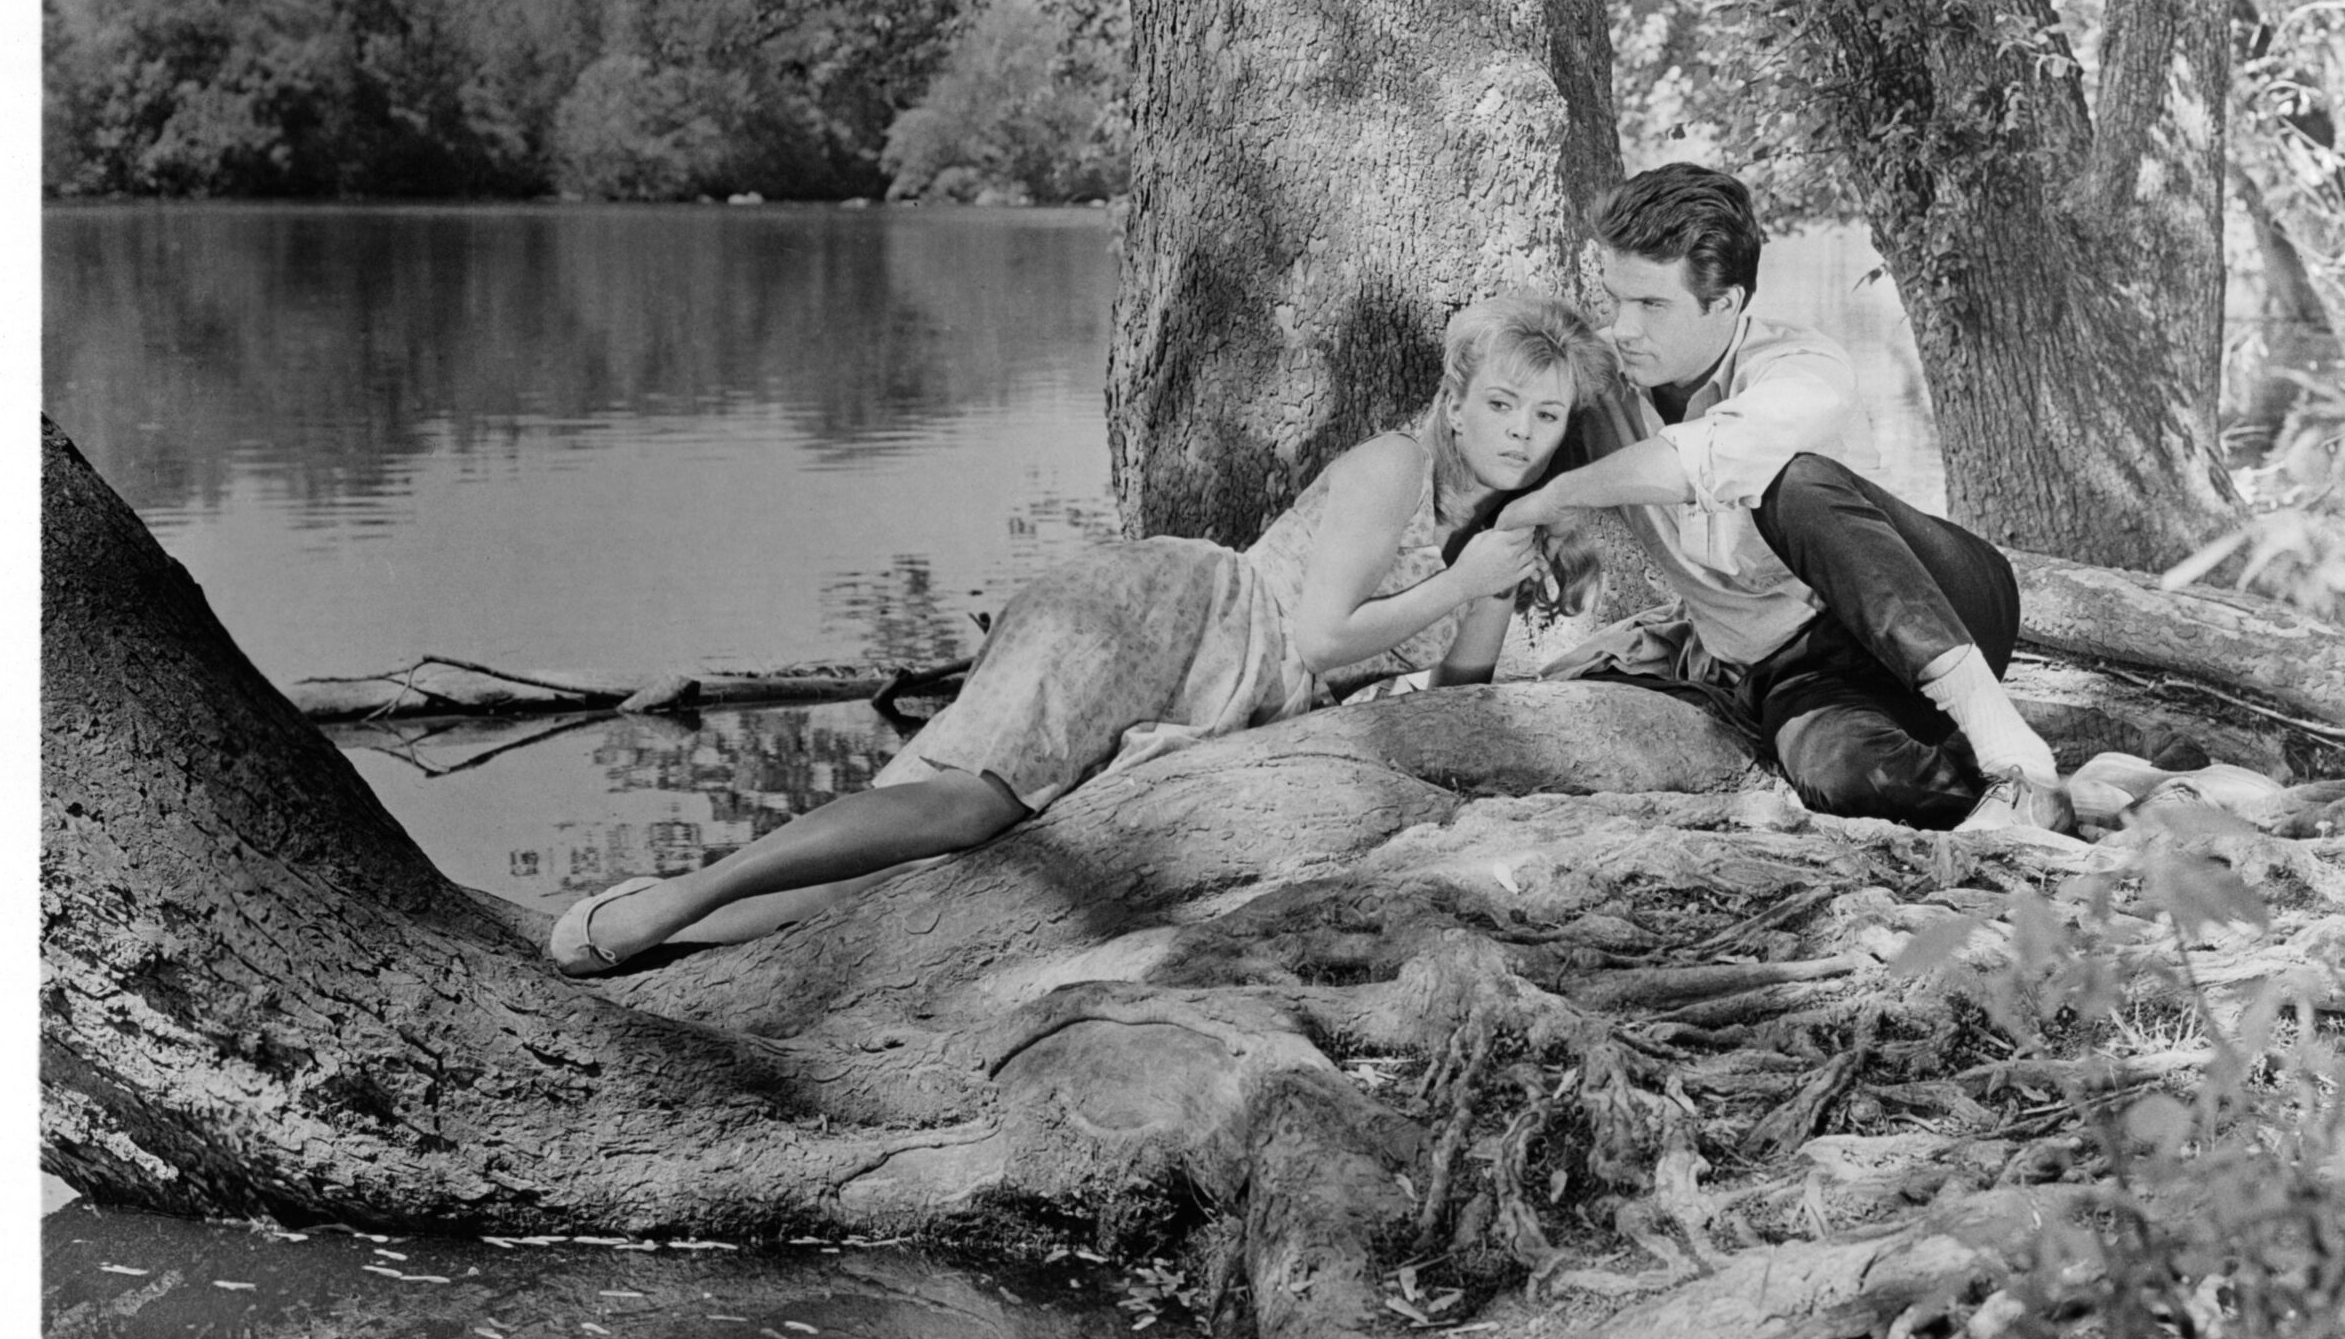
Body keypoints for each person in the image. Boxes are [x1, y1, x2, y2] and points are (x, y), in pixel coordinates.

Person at [549, 291, 1612, 975]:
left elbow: (1464, 692)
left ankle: (669, 936)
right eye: (1503, 404)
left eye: (1546, 416)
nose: (1521, 433)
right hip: (1176, 618)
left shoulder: (1497, 520)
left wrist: (1493, 582)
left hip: (1223, 677)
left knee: (919, 848)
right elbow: (1324, 636)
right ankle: (676, 896)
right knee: (965, 804)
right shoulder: (1393, 469)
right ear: (1454, 400)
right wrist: (1459, 583)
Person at [1499, 163, 2074, 834]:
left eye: (1652, 305)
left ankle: (2004, 736)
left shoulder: (1803, 368)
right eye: (1615, 299)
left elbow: (1714, 459)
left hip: (1941, 602)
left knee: (1790, 483)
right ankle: (2067, 794)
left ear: (1726, 304)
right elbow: (1486, 462)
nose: (1623, 328)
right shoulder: (1598, 382)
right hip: (1797, 665)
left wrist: (1564, 492)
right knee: (1840, 775)